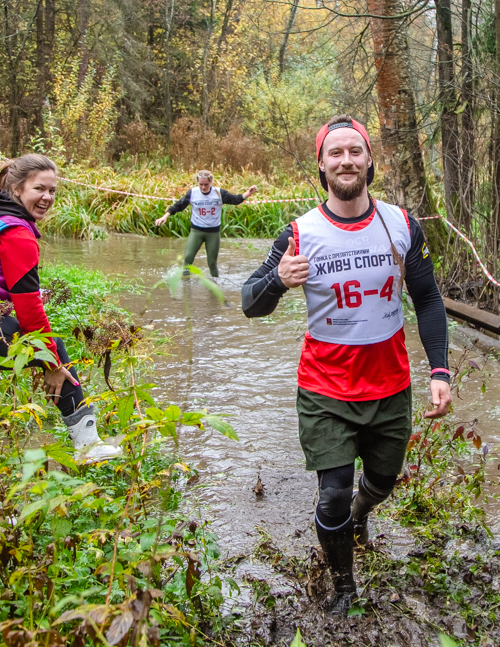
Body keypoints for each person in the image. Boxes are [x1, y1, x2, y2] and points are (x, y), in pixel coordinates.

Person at [241, 115, 451, 614]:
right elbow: (250, 303)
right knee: (331, 494)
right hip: (325, 388)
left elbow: (428, 299)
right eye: (335, 153)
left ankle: (360, 516)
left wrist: (439, 371)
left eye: (355, 151)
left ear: (370, 159)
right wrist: (279, 280)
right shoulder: (299, 233)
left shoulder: (401, 225)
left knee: (381, 482)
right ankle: (344, 589)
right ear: (321, 163)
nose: (346, 161)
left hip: (389, 384)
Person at [0, 154, 121, 466]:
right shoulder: (17, 233)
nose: (47, 197)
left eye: (52, 191)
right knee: (55, 350)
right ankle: (88, 447)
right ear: (17, 189)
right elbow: (28, 308)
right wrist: (49, 362)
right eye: (39, 189)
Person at [154, 170, 258, 277]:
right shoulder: (193, 193)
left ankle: (215, 287)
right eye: (201, 184)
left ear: (211, 182)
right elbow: (179, 205)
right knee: (187, 259)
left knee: (212, 263)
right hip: (196, 231)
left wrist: (249, 192)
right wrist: (165, 216)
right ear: (197, 183)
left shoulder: (219, 193)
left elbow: (236, 200)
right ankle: (186, 287)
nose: (203, 187)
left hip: (213, 233)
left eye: (206, 184)